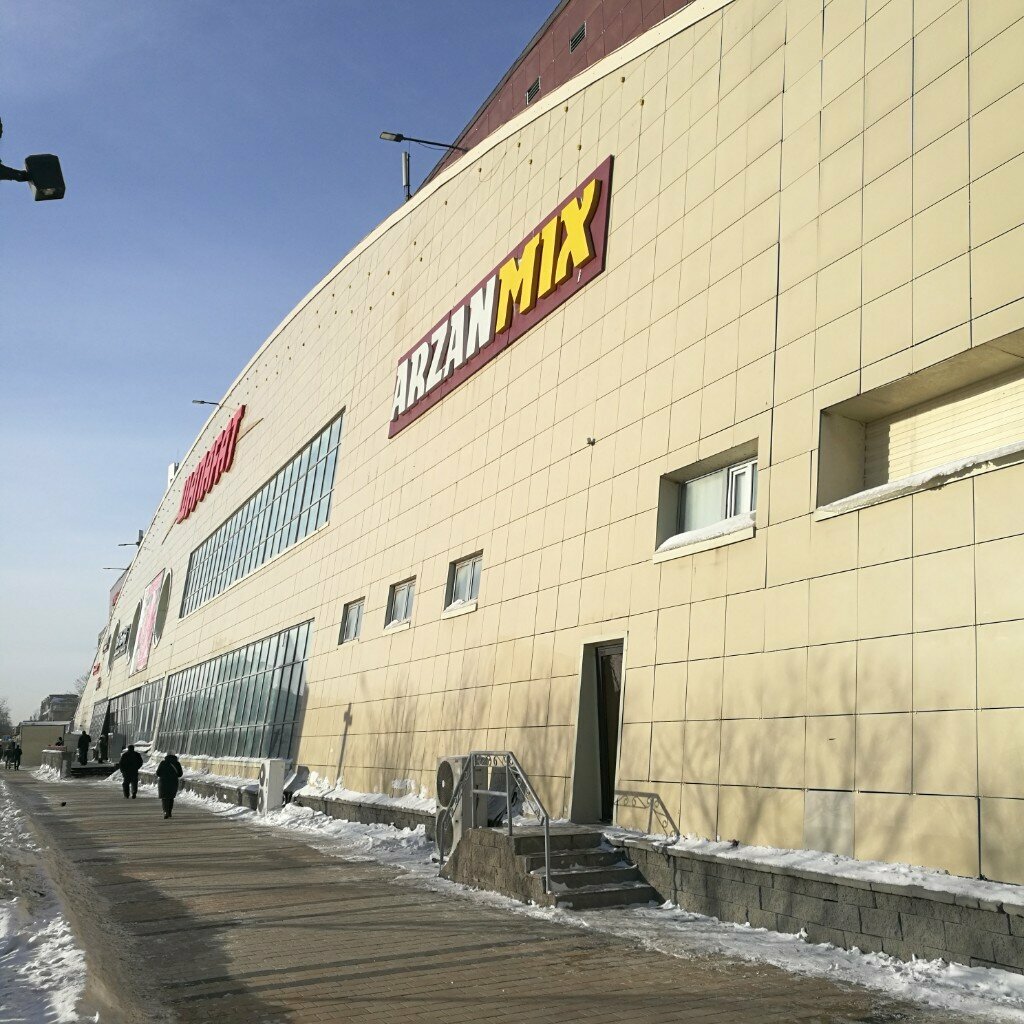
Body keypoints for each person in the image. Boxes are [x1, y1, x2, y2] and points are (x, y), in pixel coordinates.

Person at [156, 753, 183, 819]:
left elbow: (158, 773)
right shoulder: (177, 763)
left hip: (163, 782)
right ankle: (169, 812)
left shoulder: (163, 763)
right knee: (171, 797)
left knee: (164, 798)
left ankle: (165, 812)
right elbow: (180, 774)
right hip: (173, 782)